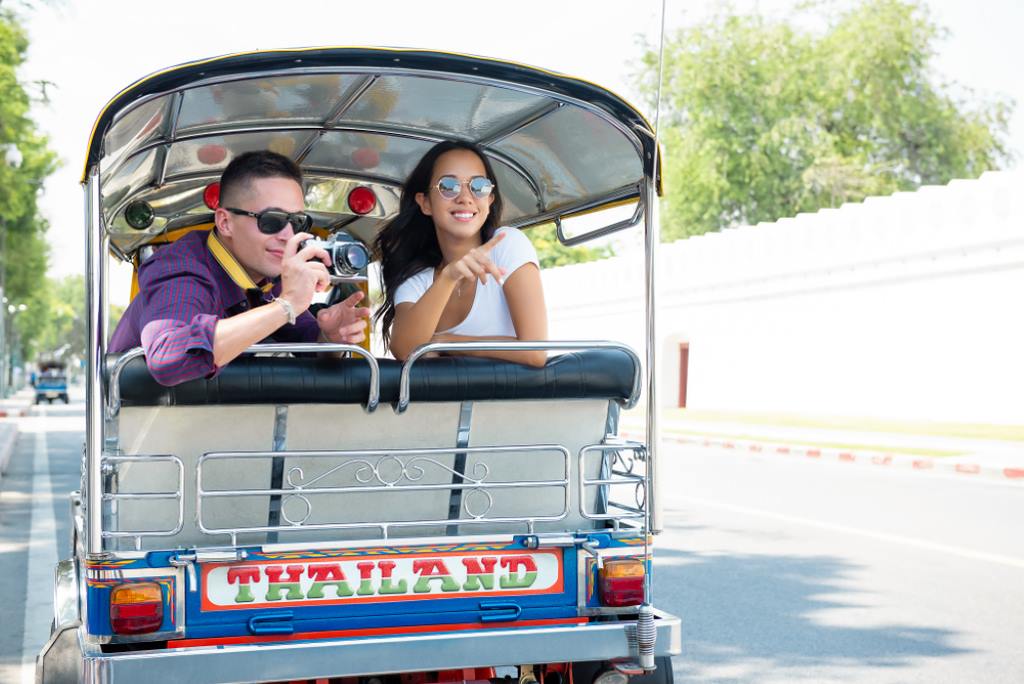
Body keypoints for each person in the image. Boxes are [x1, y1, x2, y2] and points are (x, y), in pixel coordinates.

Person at [110, 150, 370, 386]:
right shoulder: (180, 269)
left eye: (297, 221)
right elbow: (170, 359)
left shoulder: (271, 280)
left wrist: (330, 334)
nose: (288, 234)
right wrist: (286, 305)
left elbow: (306, 340)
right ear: (225, 222)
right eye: (272, 220)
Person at [374, 141, 548, 368]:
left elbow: (535, 352)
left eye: (479, 186)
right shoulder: (417, 280)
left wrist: (446, 341)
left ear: (489, 200)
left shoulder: (507, 244)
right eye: (448, 186)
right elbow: (406, 350)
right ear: (425, 202)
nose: (465, 197)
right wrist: (448, 277)